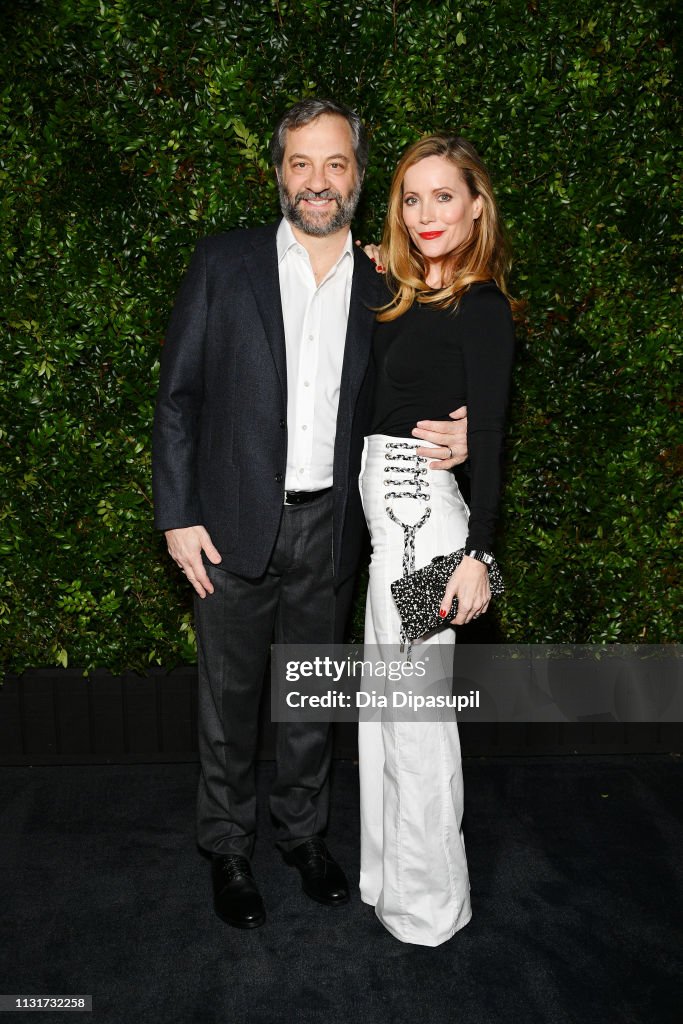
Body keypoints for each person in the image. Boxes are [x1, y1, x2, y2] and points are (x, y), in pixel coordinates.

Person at [152, 99, 469, 930]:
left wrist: (465, 425)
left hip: (333, 527)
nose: (317, 181)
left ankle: (301, 836)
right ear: (280, 173)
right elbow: (178, 398)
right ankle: (226, 847)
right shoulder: (224, 264)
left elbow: (420, 384)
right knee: (228, 700)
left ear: (358, 177)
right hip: (225, 527)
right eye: (301, 163)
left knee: (310, 696)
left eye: (335, 165)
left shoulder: (384, 284)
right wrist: (177, 513)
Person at [357, 134, 517, 946]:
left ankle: (428, 909)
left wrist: (480, 554)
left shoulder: (482, 305)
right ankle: (389, 881)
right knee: (386, 717)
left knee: (414, 722)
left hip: (427, 534)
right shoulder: (404, 297)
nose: (426, 213)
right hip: (393, 534)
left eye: (443, 196)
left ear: (475, 205)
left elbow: (487, 429)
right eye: (411, 199)